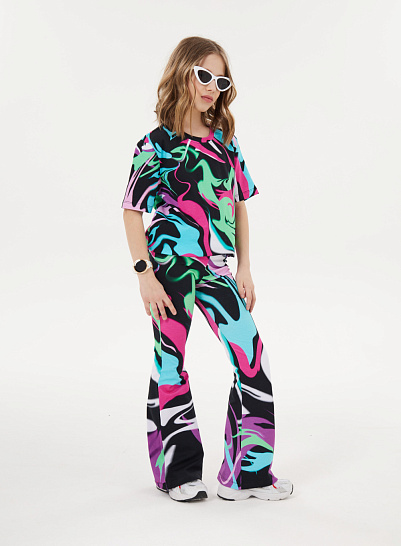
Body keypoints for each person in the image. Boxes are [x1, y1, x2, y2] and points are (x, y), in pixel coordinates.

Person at [121, 36, 293, 503]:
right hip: (169, 270)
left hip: (218, 270)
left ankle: (246, 475)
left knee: (252, 359)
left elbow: (238, 204)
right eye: (203, 75)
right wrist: (144, 275)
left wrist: (245, 267)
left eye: (220, 80)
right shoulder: (155, 144)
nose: (211, 87)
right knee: (170, 363)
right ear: (182, 73)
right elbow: (132, 210)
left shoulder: (226, 142)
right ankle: (177, 472)